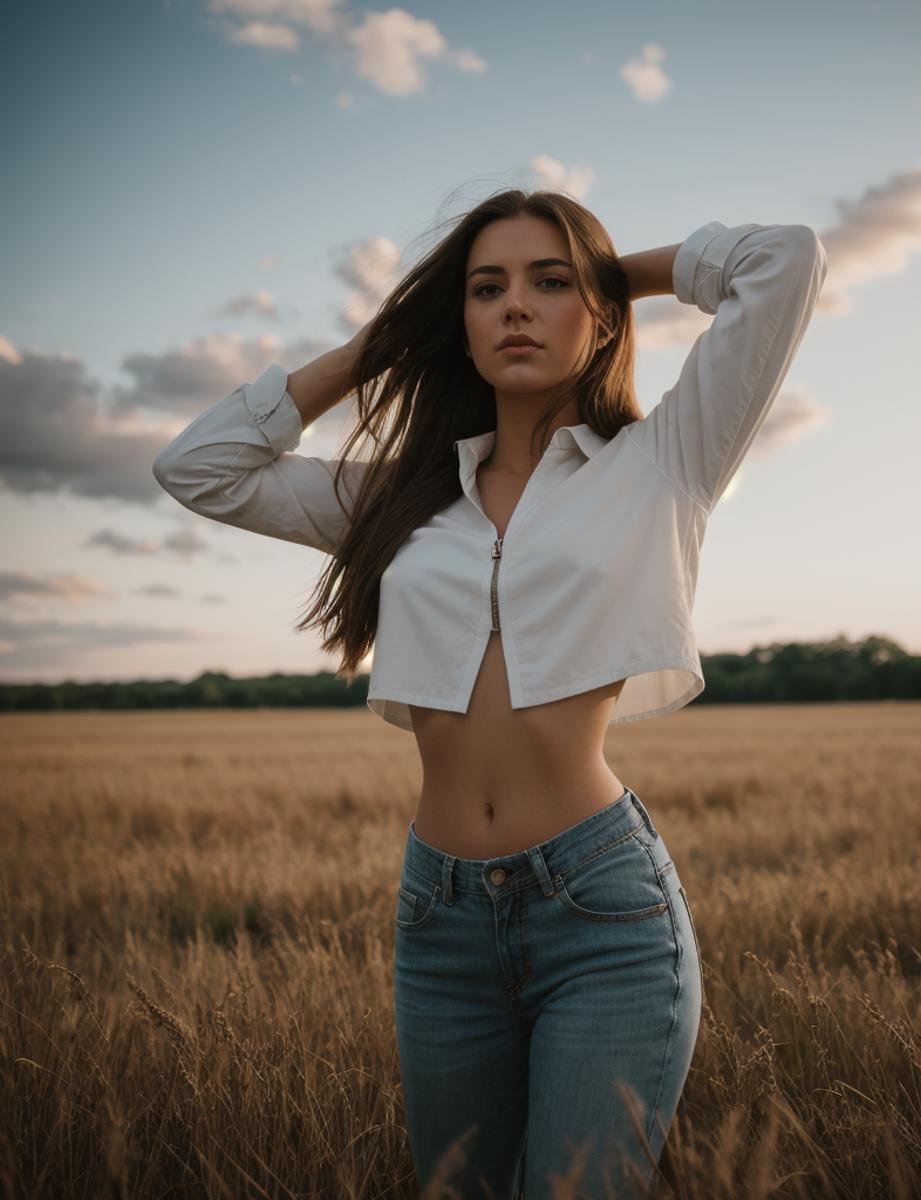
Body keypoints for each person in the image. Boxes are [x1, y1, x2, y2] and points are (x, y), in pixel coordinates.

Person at [152, 187, 828, 1199]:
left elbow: (785, 259)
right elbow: (198, 468)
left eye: (549, 283)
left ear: (597, 318)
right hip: (441, 915)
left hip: (600, 910)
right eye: (486, 289)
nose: (516, 306)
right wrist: (383, 344)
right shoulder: (400, 498)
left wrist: (614, 274)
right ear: (456, 326)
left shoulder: (663, 465)